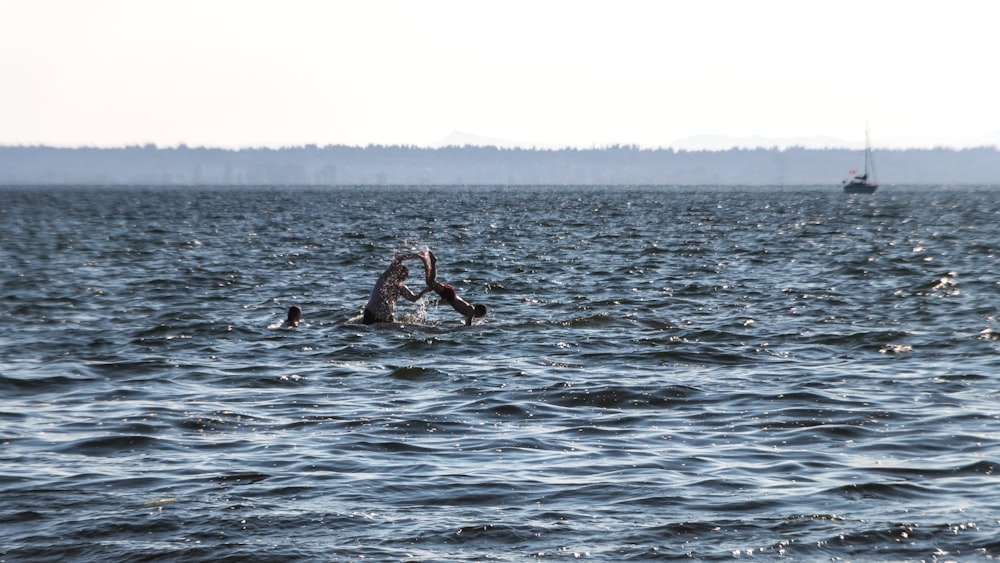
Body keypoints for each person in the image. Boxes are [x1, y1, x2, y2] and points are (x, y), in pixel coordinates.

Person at [420, 249, 487, 325]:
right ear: (478, 311)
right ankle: (433, 261)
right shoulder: (471, 310)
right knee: (432, 282)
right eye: (480, 315)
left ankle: (426, 261)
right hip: (450, 295)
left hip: (450, 295)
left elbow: (467, 321)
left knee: (429, 282)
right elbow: (468, 324)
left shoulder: (470, 310)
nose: (478, 317)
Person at [362, 251, 431, 324]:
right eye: (403, 274)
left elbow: (414, 298)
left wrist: (426, 290)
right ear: (397, 272)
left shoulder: (401, 288)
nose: (405, 277)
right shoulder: (385, 278)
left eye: (405, 276)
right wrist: (417, 256)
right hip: (370, 315)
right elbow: (399, 259)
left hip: (385, 319)